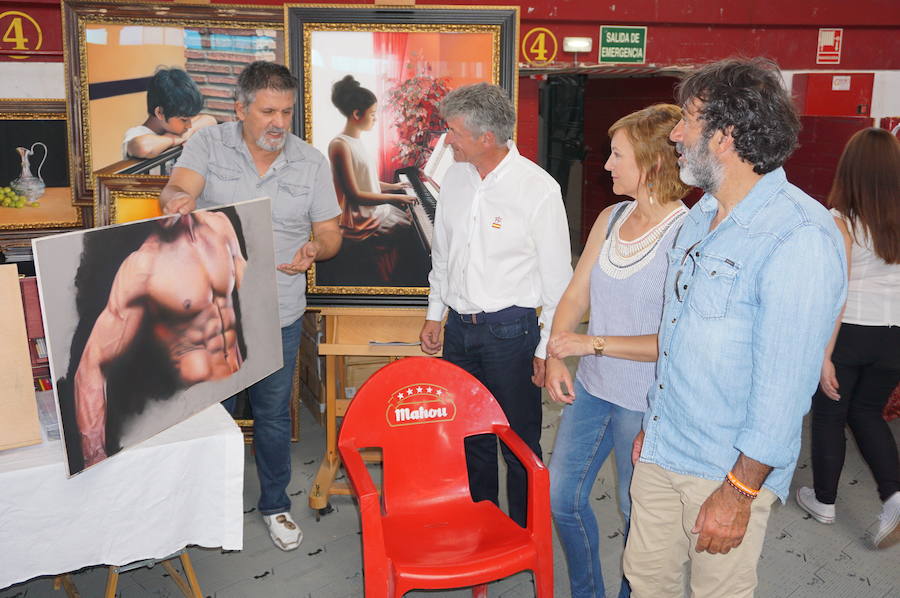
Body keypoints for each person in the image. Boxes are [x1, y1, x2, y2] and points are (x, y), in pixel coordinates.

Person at [583, 58, 846, 598]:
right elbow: (680, 339)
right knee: (646, 581)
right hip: (662, 449)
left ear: (726, 135)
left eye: (687, 121)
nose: (675, 134)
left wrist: (740, 490)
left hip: (724, 471)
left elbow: (784, 388)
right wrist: (653, 432)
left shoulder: (797, 236)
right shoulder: (701, 217)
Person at [159, 61, 342, 552]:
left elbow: (330, 232)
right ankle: (196, 512)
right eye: (266, 112)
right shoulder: (208, 144)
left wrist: (316, 249)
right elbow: (180, 187)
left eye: (285, 111)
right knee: (202, 412)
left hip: (277, 311)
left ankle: (275, 505)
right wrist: (176, 200)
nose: (278, 123)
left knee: (274, 415)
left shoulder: (311, 162)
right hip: (211, 308)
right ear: (240, 109)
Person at [545, 104, 690, 598]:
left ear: (650, 163)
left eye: (616, 154)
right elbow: (575, 295)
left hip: (647, 405)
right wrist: (557, 353)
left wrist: (592, 343)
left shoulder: (687, 236)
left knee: (637, 520)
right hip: (593, 390)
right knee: (562, 498)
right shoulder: (610, 218)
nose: (606, 164)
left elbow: (676, 343)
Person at [418, 82, 572, 528]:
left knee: (520, 442)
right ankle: (482, 525)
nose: (449, 140)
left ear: (487, 137)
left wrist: (547, 350)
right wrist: (435, 314)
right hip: (460, 334)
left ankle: (527, 535)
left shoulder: (537, 189)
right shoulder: (456, 178)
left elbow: (557, 281)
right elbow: (443, 255)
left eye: (455, 132)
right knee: (469, 436)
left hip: (512, 334)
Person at [72, 210, 246, 468]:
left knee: (227, 468)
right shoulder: (144, 264)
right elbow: (92, 365)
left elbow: (244, 284)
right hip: (187, 406)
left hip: (235, 381)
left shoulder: (219, 224)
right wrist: (94, 453)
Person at [796, 127, 900, 549]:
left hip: (850, 332)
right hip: (893, 336)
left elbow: (835, 295)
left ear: (850, 171)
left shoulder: (839, 221)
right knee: (868, 412)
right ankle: (894, 496)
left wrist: (824, 354)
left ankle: (824, 501)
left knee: (830, 413)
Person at [327, 74, 419, 284]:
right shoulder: (340, 145)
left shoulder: (357, 141)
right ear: (357, 113)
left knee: (412, 225)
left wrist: (394, 187)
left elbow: (368, 181)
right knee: (411, 231)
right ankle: (392, 280)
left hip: (373, 211)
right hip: (359, 219)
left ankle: (397, 276)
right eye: (373, 114)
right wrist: (394, 198)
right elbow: (355, 194)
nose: (375, 119)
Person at [122, 67, 216, 159]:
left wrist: (186, 134)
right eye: (184, 120)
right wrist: (173, 140)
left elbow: (210, 120)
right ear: (160, 113)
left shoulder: (176, 128)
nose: (189, 126)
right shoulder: (136, 133)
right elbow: (143, 147)